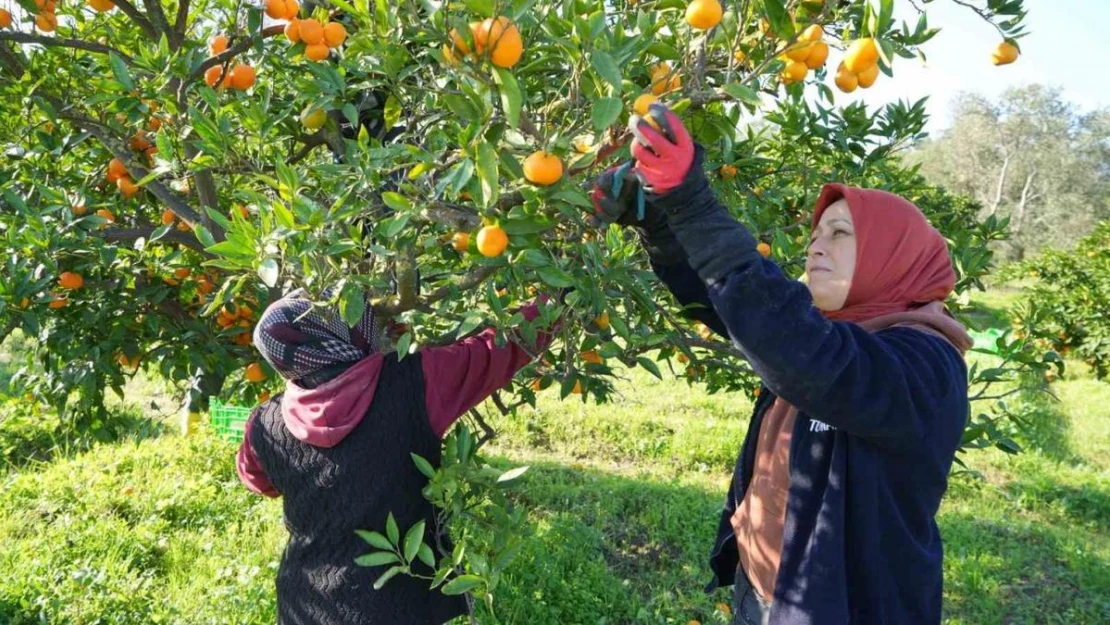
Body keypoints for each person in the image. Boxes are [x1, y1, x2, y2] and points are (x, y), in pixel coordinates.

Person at [592, 104, 973, 625]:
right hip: (761, 588)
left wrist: (691, 204)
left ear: (894, 255)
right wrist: (657, 223)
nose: (818, 245)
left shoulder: (926, 362)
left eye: (841, 234)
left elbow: (806, 355)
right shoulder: (833, 332)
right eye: (817, 235)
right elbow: (735, 310)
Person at [235, 288, 555, 625]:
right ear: (342, 331)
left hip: (306, 604)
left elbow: (256, 480)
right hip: (400, 606)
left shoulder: (265, 423)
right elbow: (500, 349)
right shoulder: (417, 381)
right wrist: (562, 295)